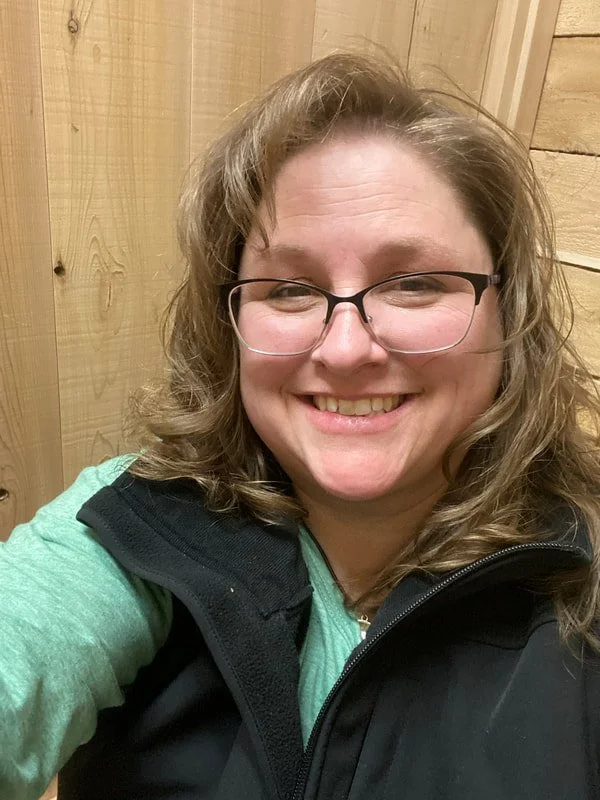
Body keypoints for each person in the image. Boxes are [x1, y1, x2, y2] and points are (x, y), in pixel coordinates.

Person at [2, 52, 600, 800]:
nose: (345, 349)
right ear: (232, 324)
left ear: (510, 316)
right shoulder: (130, 527)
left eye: (413, 283)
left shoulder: (585, 576)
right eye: (287, 288)